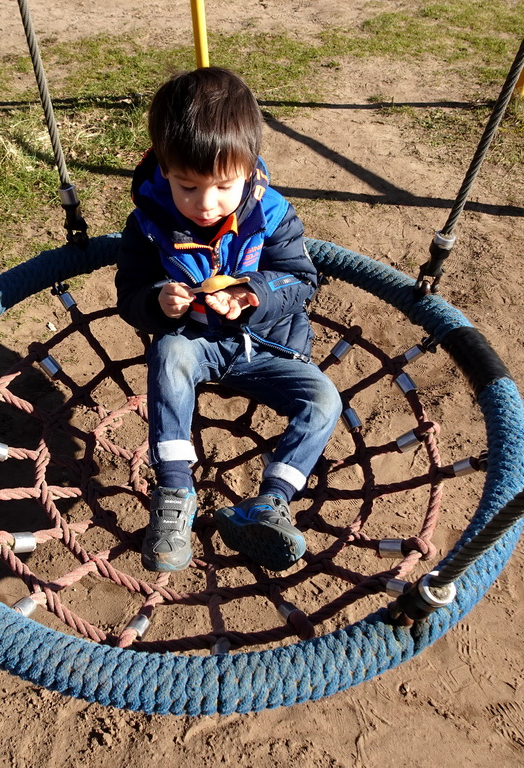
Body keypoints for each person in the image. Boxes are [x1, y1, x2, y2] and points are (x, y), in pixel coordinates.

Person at [115, 67, 341, 574]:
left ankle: (270, 501)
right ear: (164, 170)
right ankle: (175, 495)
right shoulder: (149, 223)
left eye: (223, 186)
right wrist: (156, 302)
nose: (205, 204)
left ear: (248, 169)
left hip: (268, 346)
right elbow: (127, 292)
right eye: (187, 186)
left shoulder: (273, 214)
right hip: (196, 341)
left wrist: (252, 294)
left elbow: (302, 281)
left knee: (324, 399)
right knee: (169, 353)